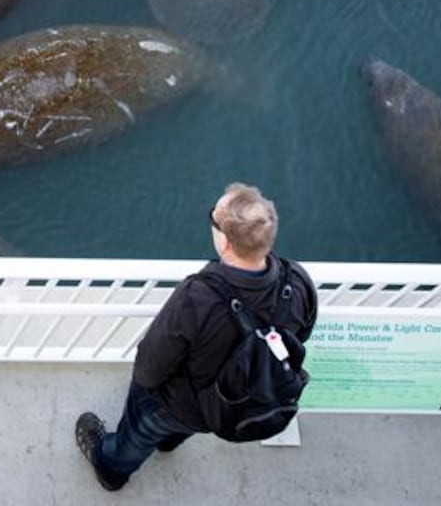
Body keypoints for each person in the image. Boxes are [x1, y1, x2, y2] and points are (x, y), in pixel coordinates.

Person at [74, 181, 318, 491]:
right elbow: (301, 335)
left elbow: (150, 368)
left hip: (172, 403)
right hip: (220, 407)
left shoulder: (197, 297)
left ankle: (111, 470)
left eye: (213, 219)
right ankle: (169, 443)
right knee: (180, 428)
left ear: (225, 242)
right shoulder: (296, 282)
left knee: (133, 439)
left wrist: (147, 392)